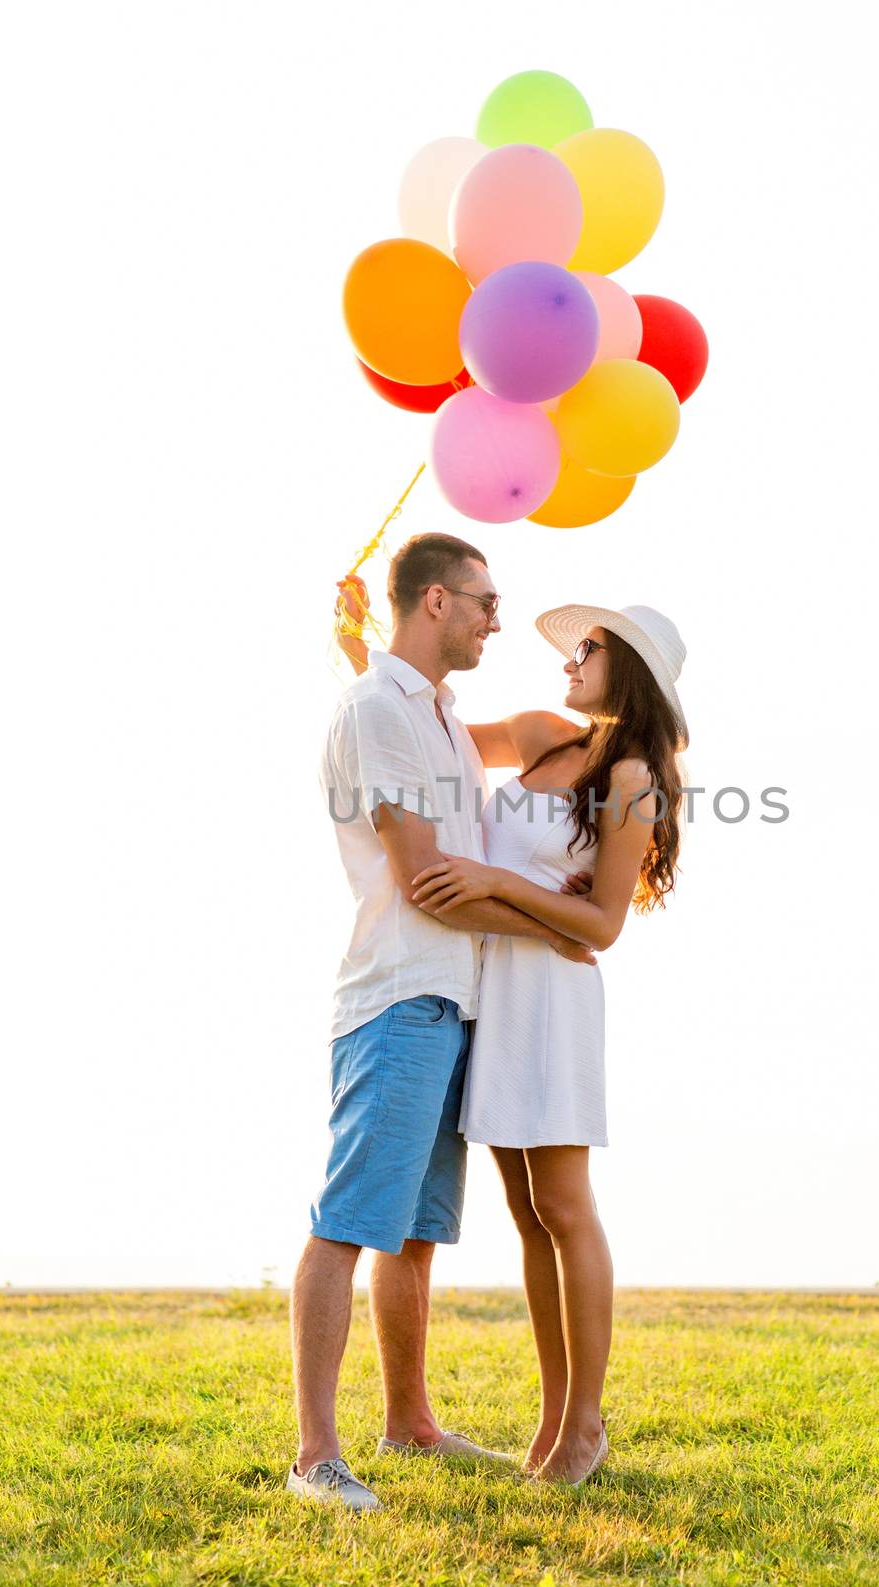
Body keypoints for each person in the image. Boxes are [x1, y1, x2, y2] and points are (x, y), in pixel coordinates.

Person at [288, 533, 597, 1512]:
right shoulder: (381, 708)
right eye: (482, 599)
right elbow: (426, 878)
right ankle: (314, 1458)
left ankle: (409, 1423)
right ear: (431, 602)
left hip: (450, 1005)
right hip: (398, 998)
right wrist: (561, 923)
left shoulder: (438, 713)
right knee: (349, 1224)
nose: (496, 616)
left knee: (414, 1234)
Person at [410, 602, 689, 1486]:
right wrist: (360, 654)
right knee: (528, 1215)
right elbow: (431, 732)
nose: (571, 657)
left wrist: (494, 880)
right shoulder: (539, 735)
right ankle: (553, 1418)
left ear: (630, 669)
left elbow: (601, 924)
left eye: (590, 648)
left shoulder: (634, 775)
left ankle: (585, 1425)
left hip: (555, 1004)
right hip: (494, 990)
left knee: (565, 1208)